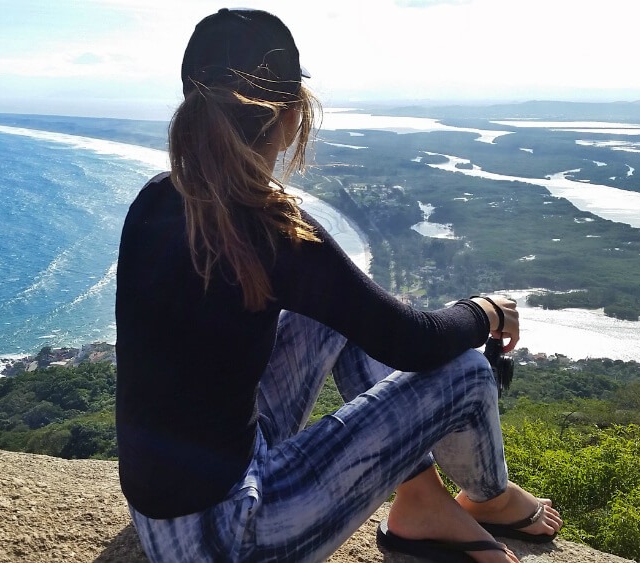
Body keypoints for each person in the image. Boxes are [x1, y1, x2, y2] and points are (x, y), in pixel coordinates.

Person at [115, 8, 562, 562]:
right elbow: (412, 341)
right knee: (466, 374)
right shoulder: (269, 224)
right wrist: (486, 311)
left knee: (323, 313)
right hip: (230, 539)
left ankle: (421, 500)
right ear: (289, 117)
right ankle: (488, 497)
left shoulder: (158, 197)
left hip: (168, 514)